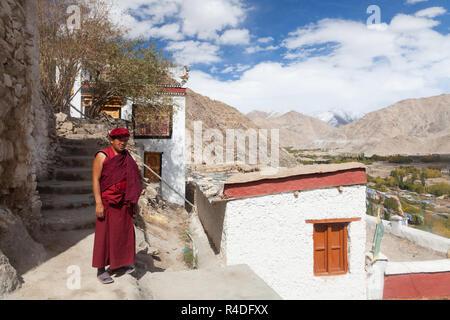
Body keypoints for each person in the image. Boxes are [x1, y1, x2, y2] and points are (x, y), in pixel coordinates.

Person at [92, 127, 143, 284]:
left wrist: (134, 201)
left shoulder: (127, 157)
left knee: (123, 233)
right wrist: (98, 203)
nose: (123, 143)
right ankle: (101, 270)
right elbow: (95, 180)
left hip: (124, 201)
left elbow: (134, 180)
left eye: (125, 140)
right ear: (111, 140)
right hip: (107, 202)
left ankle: (121, 263)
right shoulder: (103, 156)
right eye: (119, 140)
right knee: (104, 235)